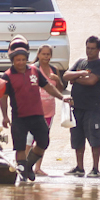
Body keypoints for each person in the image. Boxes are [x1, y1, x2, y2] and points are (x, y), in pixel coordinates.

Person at [0, 37, 72, 181]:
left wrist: (61, 97)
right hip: (19, 117)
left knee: (43, 141)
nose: (20, 62)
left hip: (37, 115)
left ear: (27, 59)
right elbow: (3, 97)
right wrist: (5, 116)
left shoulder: (34, 70)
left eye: (22, 59)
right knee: (20, 148)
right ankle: (22, 175)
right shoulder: (7, 76)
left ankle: (28, 166)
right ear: (12, 60)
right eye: (17, 60)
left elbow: (48, 87)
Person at [63, 36, 100, 178]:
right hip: (77, 107)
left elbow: (91, 81)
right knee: (77, 138)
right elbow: (65, 75)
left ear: (98, 49)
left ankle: (95, 168)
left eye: (92, 48)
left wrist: (75, 79)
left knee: (94, 138)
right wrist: (80, 74)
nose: (89, 51)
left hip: (92, 107)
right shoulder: (80, 62)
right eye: (88, 48)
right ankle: (79, 167)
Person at [33, 45, 64, 176]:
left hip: (49, 111)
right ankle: (26, 165)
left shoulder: (54, 69)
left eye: (48, 54)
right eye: (43, 54)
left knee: (42, 140)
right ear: (38, 55)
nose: (46, 57)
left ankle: (37, 167)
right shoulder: (33, 69)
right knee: (29, 141)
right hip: (34, 110)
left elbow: (60, 89)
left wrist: (57, 79)